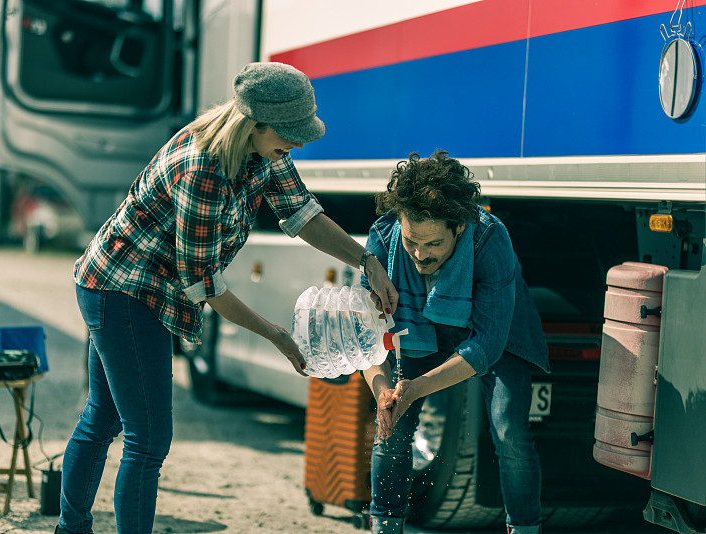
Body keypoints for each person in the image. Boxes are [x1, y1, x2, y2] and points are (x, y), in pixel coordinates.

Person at [54, 62, 398, 534]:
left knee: (105, 418)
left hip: (131, 282)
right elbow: (204, 283)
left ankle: (69, 529)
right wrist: (276, 334)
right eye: (290, 134)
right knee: (148, 439)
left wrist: (368, 262)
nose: (296, 145)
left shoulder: (264, 152)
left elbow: (302, 215)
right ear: (254, 123)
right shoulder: (203, 168)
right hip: (125, 289)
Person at [360, 150, 549, 534]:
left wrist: (419, 387)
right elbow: (367, 337)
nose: (418, 255)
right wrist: (383, 391)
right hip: (420, 330)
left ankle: (526, 529)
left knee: (509, 430)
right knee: (392, 423)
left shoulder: (491, 239)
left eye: (432, 244)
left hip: (495, 327)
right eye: (412, 242)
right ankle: (384, 527)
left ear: (459, 227)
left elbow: (487, 345)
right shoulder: (382, 240)